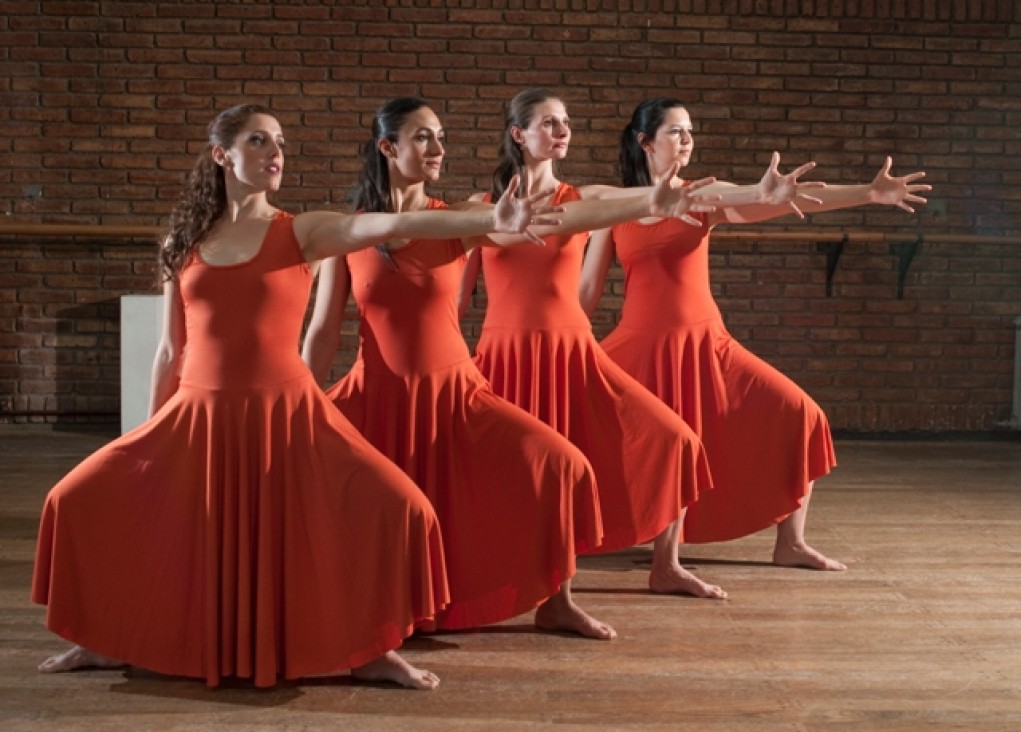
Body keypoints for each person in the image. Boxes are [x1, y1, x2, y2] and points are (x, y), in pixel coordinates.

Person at [31, 103, 560, 690]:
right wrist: (151, 435)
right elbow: (169, 351)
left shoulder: (301, 230)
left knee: (403, 509)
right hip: (198, 413)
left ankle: (371, 647)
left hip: (288, 412)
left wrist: (489, 218)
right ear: (221, 155)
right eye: (259, 141)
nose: (275, 151)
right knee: (72, 498)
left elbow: (381, 226)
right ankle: (106, 639)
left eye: (280, 141)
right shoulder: (182, 243)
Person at [302, 98, 719, 638]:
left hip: (454, 389)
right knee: (371, 507)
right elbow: (322, 331)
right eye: (423, 137)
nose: (439, 148)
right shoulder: (346, 234)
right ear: (388, 147)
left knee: (562, 467)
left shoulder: (456, 220)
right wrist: (304, 402)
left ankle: (556, 600)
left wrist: (647, 201)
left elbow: (578, 213)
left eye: (441, 135)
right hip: (376, 392)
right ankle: (378, 617)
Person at [461, 88, 818, 599]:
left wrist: (761, 195)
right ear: (518, 134)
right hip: (504, 353)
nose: (562, 131)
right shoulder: (479, 209)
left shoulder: (584, 199)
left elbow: (657, 200)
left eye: (566, 123)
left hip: (574, 349)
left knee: (670, 443)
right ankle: (498, 573)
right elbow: (453, 291)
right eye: (549, 123)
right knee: (512, 469)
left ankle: (658, 567)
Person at [580, 96, 931, 570]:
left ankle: (791, 543)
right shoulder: (618, 207)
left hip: (707, 344)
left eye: (690, 131)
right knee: (598, 434)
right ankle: (593, 539)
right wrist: (568, 345)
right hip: (638, 346)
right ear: (645, 142)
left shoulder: (703, 194)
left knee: (799, 414)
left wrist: (867, 193)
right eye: (676, 132)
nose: (687, 140)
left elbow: (774, 198)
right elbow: (586, 290)